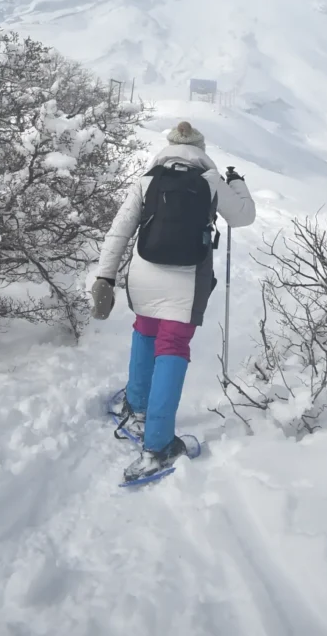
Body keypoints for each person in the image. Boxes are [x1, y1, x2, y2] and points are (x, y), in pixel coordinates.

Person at [90, 121, 256, 481]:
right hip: (187, 277)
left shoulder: (148, 179)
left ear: (169, 147)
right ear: (201, 149)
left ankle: (136, 407)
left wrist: (105, 275)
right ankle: (159, 445)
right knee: (173, 345)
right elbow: (243, 218)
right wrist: (237, 183)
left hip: (144, 273)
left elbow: (119, 230)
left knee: (145, 331)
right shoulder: (211, 181)